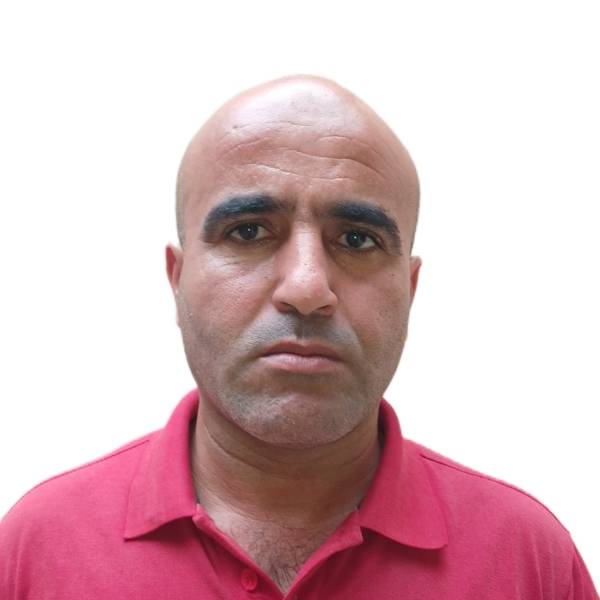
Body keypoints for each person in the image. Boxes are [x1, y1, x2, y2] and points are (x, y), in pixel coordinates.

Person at [0, 75, 597, 599]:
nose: (308, 287)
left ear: (410, 289)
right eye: (249, 231)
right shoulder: (36, 549)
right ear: (177, 281)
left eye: (357, 240)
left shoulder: (527, 560)